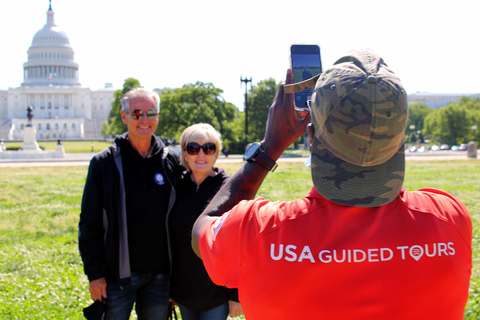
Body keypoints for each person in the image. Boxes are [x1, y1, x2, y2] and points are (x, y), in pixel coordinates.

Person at [192, 49, 472, 320]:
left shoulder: (257, 230)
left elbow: (202, 233)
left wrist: (269, 148)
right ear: (399, 135)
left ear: (311, 135)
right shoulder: (450, 217)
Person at [79, 87, 182, 319]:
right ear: (124, 117)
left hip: (161, 276)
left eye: (150, 113)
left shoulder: (171, 161)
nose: (144, 120)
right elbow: (89, 222)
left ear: (158, 116)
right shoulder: (104, 163)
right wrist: (95, 274)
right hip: (116, 276)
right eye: (136, 113)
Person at [169, 123, 242, 320]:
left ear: (216, 153)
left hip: (217, 293)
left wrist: (236, 295)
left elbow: (240, 245)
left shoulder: (230, 190)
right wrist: (170, 288)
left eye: (208, 148)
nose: (201, 154)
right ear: (184, 154)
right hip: (183, 292)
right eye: (193, 148)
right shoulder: (176, 187)